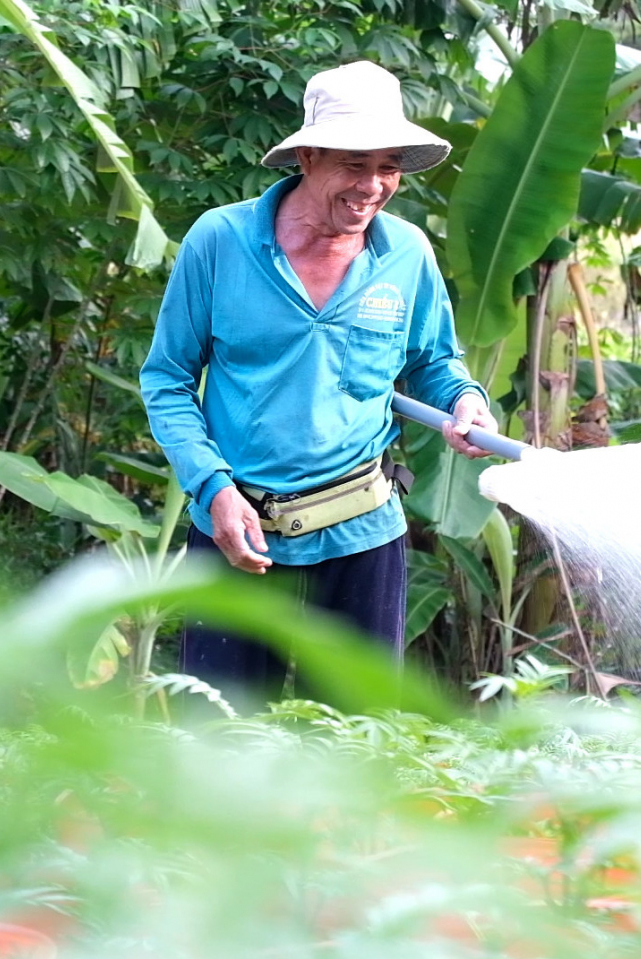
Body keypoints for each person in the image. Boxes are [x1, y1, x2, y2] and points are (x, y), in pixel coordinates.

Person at [140, 60, 497, 705]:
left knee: (358, 745)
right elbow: (166, 379)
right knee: (218, 745)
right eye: (354, 164)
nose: (373, 186)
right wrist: (213, 489)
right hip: (236, 529)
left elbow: (437, 363)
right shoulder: (219, 241)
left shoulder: (408, 253)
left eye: (388, 167)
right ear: (306, 156)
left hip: (362, 529)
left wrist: (467, 400)